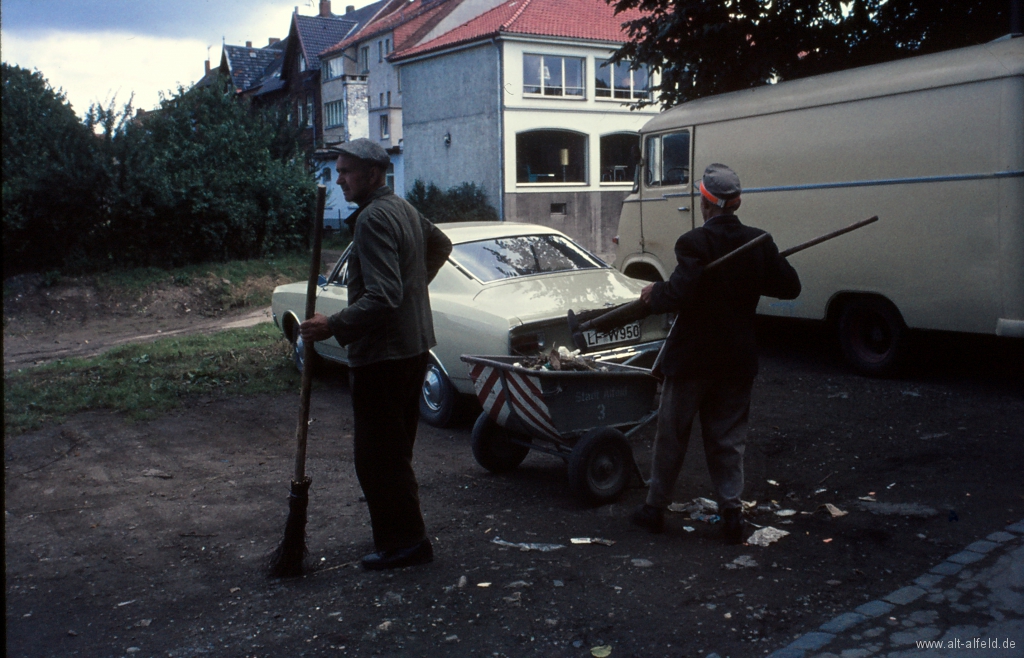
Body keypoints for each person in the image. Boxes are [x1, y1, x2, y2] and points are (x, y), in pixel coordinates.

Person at [300, 138, 452, 570]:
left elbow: (384, 296)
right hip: (413, 349)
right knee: (394, 452)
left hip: (383, 357)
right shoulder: (402, 209)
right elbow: (441, 245)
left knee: (377, 457)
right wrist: (412, 289)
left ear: (372, 174)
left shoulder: (372, 219)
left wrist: (334, 324)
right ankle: (403, 537)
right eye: (337, 170)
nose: (339, 178)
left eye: (346, 170)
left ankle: (406, 543)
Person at [631, 163, 801, 544]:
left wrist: (654, 294)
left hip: (692, 358)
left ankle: (655, 510)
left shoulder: (694, 243)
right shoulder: (758, 242)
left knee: (672, 434)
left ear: (705, 201)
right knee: (728, 439)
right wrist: (762, 266)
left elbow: (678, 293)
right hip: (736, 360)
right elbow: (790, 287)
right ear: (737, 203)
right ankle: (731, 516)